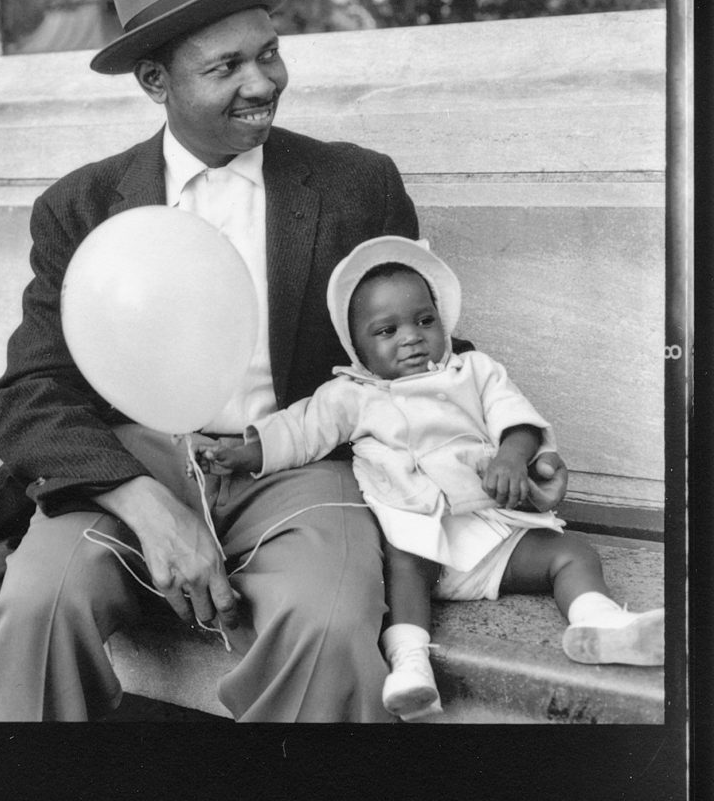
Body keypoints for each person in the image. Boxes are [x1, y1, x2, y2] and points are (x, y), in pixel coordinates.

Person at [0, 0, 569, 722]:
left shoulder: (355, 185)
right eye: (225, 67)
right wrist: (143, 501)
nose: (262, 82)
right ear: (154, 81)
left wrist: (510, 450)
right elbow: (29, 393)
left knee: (330, 629)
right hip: (128, 470)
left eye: (269, 53)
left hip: (301, 464)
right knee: (33, 614)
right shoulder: (83, 208)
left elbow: (417, 352)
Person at [199, 236, 665, 721]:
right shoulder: (351, 394)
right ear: (356, 347)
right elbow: (301, 431)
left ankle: (600, 622)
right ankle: (410, 666)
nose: (411, 337)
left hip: (491, 535)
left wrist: (511, 456)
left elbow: (518, 420)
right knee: (400, 568)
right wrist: (249, 453)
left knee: (572, 554)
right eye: (386, 330)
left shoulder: (475, 371)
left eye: (424, 321)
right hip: (418, 538)